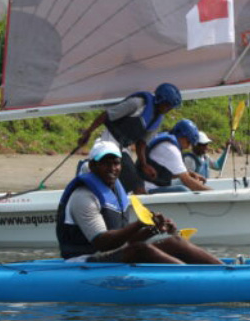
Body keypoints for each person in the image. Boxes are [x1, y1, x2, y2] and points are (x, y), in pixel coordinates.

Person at [56, 140, 222, 264]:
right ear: (92, 166)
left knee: (175, 241)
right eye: (105, 163)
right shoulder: (84, 196)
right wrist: (138, 224)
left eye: (116, 163)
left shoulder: (114, 192)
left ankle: (225, 272)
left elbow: (125, 239)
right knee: (141, 250)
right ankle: (195, 281)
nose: (112, 168)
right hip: (83, 262)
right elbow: (103, 242)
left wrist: (153, 229)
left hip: (107, 255)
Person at [76, 83, 182, 194]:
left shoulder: (157, 119)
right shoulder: (136, 104)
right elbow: (106, 115)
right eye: (167, 105)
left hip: (124, 148)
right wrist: (88, 133)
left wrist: (144, 165)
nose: (168, 109)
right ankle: (87, 167)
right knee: (137, 186)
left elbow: (141, 143)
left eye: (171, 107)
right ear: (159, 100)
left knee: (132, 184)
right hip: (110, 141)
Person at [140, 119, 212, 192]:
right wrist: (211, 192)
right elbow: (187, 181)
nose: (188, 147)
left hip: (147, 184)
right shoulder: (171, 149)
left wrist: (190, 173)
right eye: (188, 142)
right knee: (183, 190)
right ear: (182, 136)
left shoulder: (166, 142)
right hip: (147, 188)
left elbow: (170, 173)